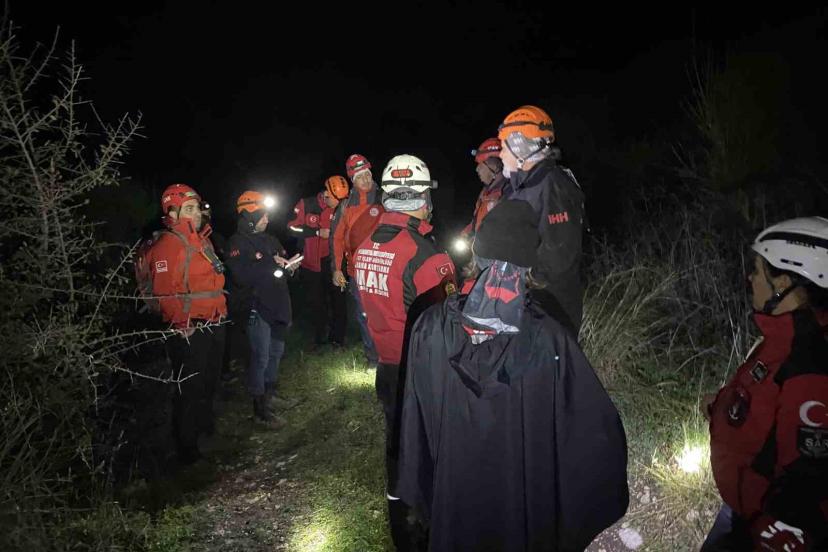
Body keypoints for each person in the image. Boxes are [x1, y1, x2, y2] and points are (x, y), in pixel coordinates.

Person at [395, 199, 629, 551]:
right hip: (522, 511)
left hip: (454, 499)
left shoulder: (429, 327)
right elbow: (590, 433)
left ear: (478, 253)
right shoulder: (549, 337)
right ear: (529, 265)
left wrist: (425, 487)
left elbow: (416, 424)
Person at [701, 217, 828, 551]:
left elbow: (805, 487)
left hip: (758, 523)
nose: (750, 278)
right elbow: (765, 405)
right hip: (743, 504)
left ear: (782, 282)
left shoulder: (809, 366)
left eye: (758, 271)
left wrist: (767, 532)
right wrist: (722, 408)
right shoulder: (784, 335)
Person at [354, 154, 456, 550]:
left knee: (397, 447)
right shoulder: (427, 256)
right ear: (420, 199)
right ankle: (427, 529)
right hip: (422, 372)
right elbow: (445, 323)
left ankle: (401, 528)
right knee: (429, 450)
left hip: (387, 366)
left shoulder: (366, 247)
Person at [145, 183, 227, 464]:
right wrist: (182, 324)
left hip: (214, 321)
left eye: (197, 208)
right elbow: (165, 290)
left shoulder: (202, 239)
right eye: (188, 209)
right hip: (190, 328)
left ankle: (206, 432)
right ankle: (187, 451)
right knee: (189, 389)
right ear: (172, 211)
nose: (196, 214)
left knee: (209, 381)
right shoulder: (168, 245)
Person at [498, 105, 585, 335]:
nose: (500, 154)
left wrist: (524, 279)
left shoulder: (553, 186)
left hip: (551, 309)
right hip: (523, 304)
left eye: (503, 147)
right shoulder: (520, 186)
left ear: (519, 147)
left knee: (550, 369)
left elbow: (559, 256)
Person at [226, 191, 296, 428]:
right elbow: (241, 276)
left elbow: (281, 260)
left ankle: (271, 394)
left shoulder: (270, 239)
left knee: (276, 352)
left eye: (267, 215)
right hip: (257, 307)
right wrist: (270, 265)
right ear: (249, 216)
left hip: (279, 305)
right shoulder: (236, 243)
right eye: (262, 215)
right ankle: (259, 410)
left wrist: (290, 266)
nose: (267, 220)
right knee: (261, 357)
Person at [331, 154, 383, 365]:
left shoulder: (385, 198)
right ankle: (373, 358)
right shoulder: (345, 206)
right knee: (364, 316)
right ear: (353, 179)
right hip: (357, 272)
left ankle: (391, 358)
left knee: (386, 315)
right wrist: (336, 269)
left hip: (384, 269)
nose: (366, 179)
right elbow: (336, 239)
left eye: (368, 174)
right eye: (361, 176)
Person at [287, 176, 349, 347]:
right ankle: (318, 339)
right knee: (316, 302)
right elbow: (292, 228)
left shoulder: (343, 206)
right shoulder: (306, 204)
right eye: (335, 200)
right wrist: (315, 232)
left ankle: (338, 339)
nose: (338, 205)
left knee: (340, 300)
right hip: (311, 264)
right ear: (327, 194)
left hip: (337, 263)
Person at [460, 137, 508, 241]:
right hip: (482, 251)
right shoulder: (485, 193)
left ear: (494, 166)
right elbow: (477, 220)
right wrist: (467, 233)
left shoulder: (508, 193)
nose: (477, 169)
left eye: (481, 165)